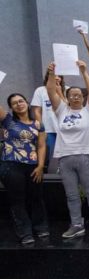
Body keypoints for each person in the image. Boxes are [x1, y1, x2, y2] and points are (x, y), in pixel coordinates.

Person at [46, 61, 89, 238]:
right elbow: (50, 91)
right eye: (72, 95)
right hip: (65, 157)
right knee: (71, 195)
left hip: (87, 156)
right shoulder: (61, 110)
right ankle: (77, 225)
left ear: (83, 97)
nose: (76, 97)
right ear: (68, 97)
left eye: (79, 94)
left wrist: (83, 72)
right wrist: (50, 73)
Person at [0, 94, 48, 245]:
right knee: (17, 200)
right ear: (11, 108)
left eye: (21, 101)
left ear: (27, 103)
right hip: (11, 165)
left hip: (34, 166)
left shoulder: (38, 124)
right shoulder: (7, 121)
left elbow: (41, 146)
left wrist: (40, 166)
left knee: (36, 197)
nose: (18, 104)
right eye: (14, 103)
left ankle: (40, 227)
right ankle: (25, 233)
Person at [30, 69, 65, 165]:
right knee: (50, 156)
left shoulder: (67, 89)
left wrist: (60, 92)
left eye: (59, 76)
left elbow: (69, 109)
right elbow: (37, 111)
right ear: (48, 77)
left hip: (65, 129)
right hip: (48, 129)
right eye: (54, 75)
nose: (57, 78)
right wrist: (41, 129)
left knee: (65, 155)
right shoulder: (40, 90)